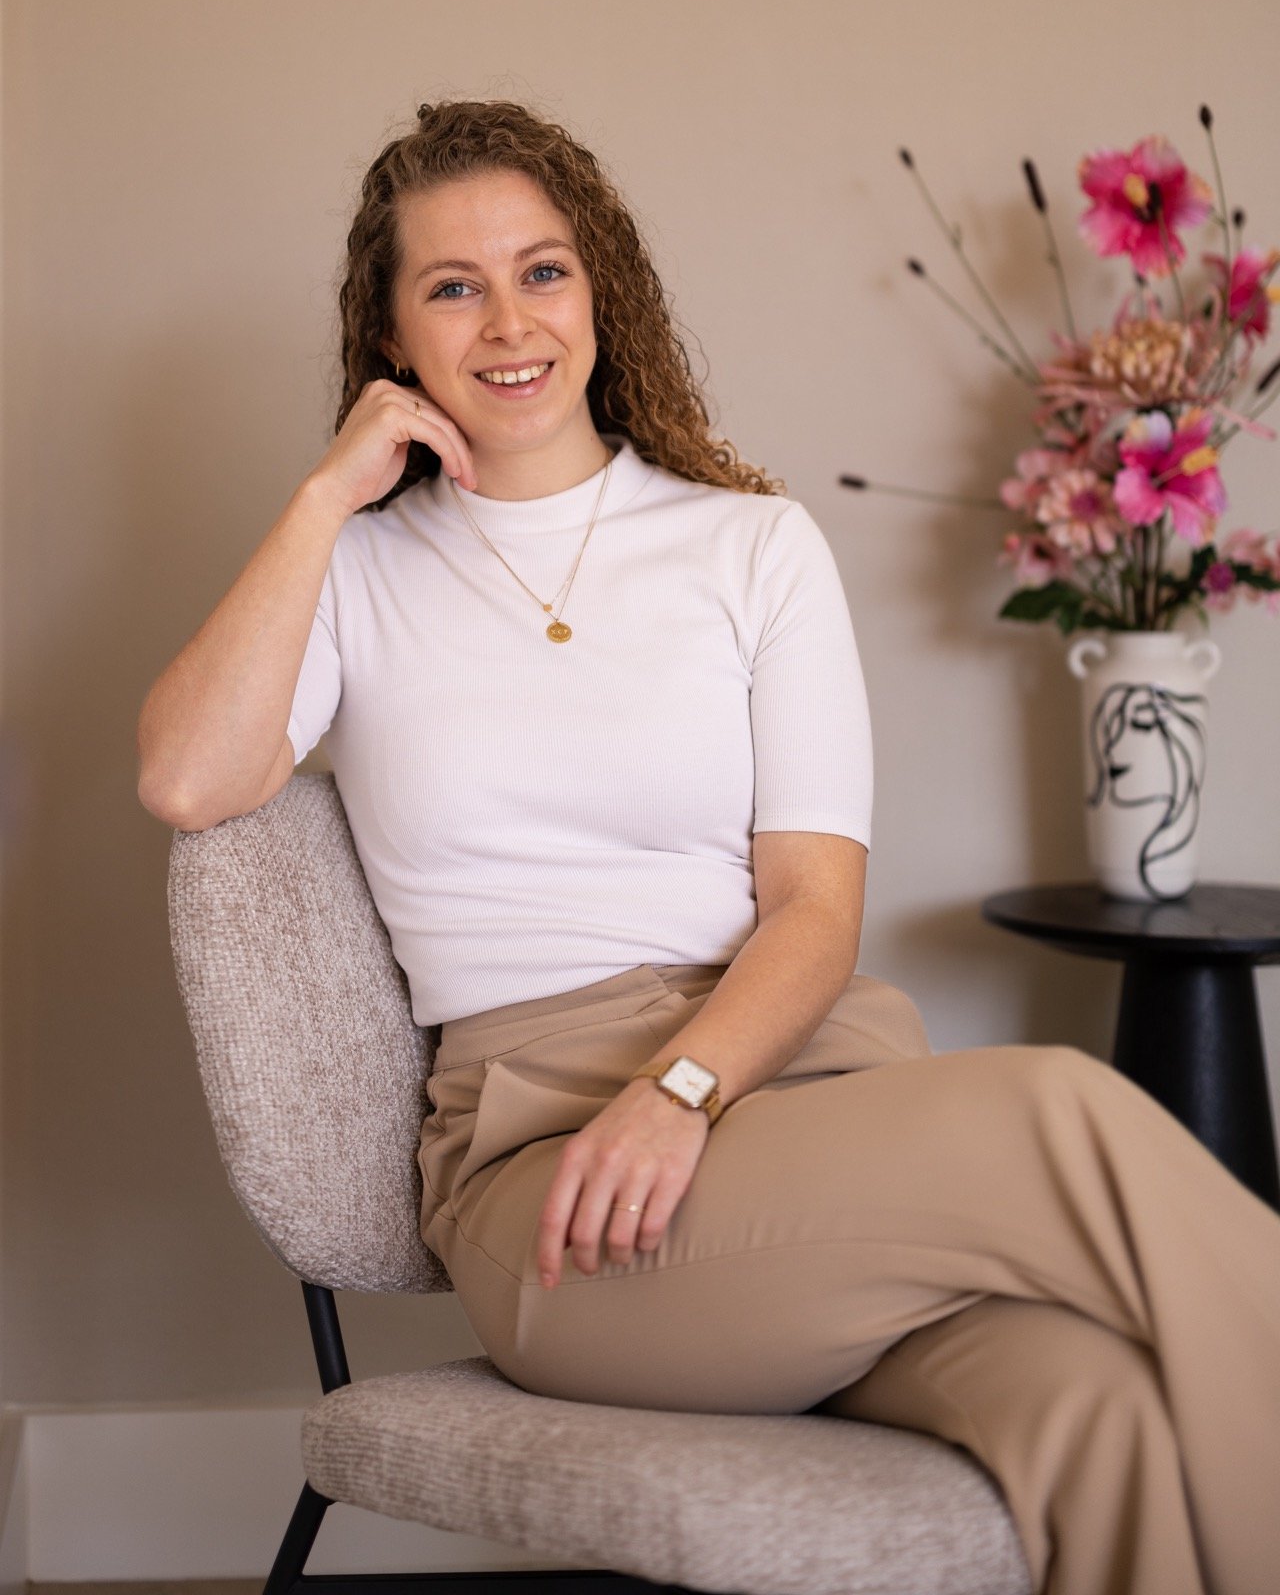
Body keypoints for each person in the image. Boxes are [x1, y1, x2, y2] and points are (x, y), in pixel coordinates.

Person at [137, 98, 1280, 1595]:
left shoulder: (750, 544)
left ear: (601, 288)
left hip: (796, 1105)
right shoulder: (354, 569)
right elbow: (186, 776)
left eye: (542, 271)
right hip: (557, 1172)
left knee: (1098, 1411)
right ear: (390, 331)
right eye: (452, 286)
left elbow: (815, 909)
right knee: (1064, 1115)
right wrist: (319, 498)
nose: (508, 322)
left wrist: (686, 1087)